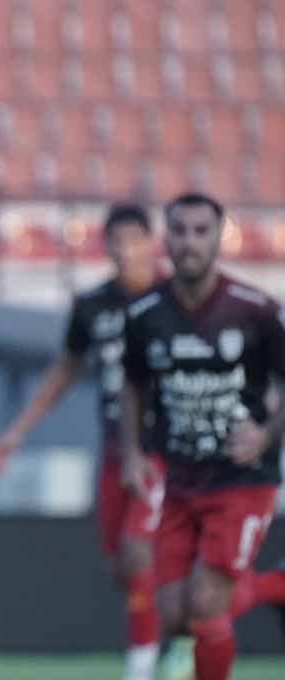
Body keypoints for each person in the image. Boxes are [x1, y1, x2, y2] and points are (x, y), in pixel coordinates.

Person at [0, 204, 167, 680]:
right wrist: (15, 433)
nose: (126, 251)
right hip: (112, 451)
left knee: (136, 551)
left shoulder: (176, 300)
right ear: (106, 247)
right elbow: (64, 372)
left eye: (135, 239)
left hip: (166, 451)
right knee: (121, 567)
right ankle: (179, 628)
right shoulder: (93, 308)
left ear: (152, 243)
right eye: (117, 241)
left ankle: (144, 667)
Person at [120, 192, 285, 680]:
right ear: (165, 239)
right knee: (174, 612)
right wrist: (131, 452)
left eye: (201, 231)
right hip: (180, 479)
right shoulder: (146, 314)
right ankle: (276, 585)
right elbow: (131, 385)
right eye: (180, 231)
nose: (189, 242)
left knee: (208, 604)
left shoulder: (255, 310)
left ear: (219, 238)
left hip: (242, 478)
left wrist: (266, 434)